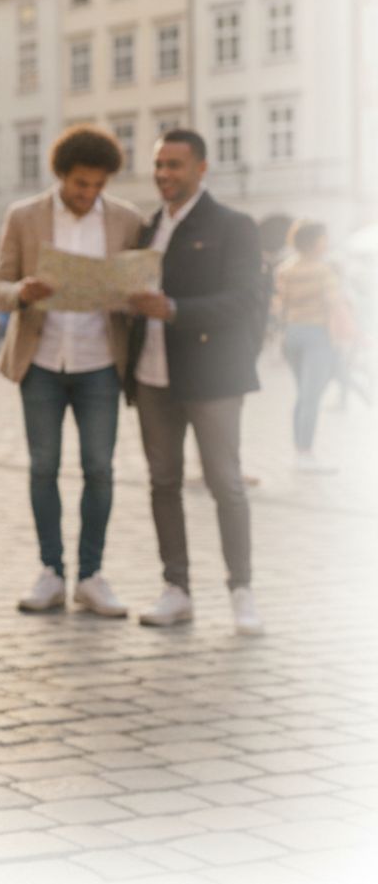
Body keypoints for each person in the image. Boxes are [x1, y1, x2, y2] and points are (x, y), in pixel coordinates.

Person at [0, 125, 145, 617]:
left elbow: (136, 281)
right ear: (61, 175)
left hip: (101, 361)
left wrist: (134, 296)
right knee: (43, 468)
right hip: (42, 360)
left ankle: (92, 575)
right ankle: (51, 573)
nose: (89, 194)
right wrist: (21, 293)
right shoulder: (25, 216)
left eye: (98, 185)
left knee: (100, 469)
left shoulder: (126, 220)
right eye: (81, 183)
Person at [126, 130, 268, 636]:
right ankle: (177, 589)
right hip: (151, 375)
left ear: (201, 168)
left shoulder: (233, 226)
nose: (164, 174)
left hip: (212, 377)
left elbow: (246, 300)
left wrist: (175, 309)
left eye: (175, 165)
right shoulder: (147, 228)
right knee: (163, 483)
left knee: (225, 484)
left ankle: (242, 590)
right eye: (158, 164)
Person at [273, 220, 345, 473]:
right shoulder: (323, 270)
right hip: (317, 335)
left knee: (303, 395)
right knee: (310, 396)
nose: (326, 242)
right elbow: (336, 306)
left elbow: (279, 306)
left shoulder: (285, 269)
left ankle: (300, 450)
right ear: (314, 241)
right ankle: (305, 454)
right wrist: (351, 335)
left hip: (293, 334)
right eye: (324, 237)